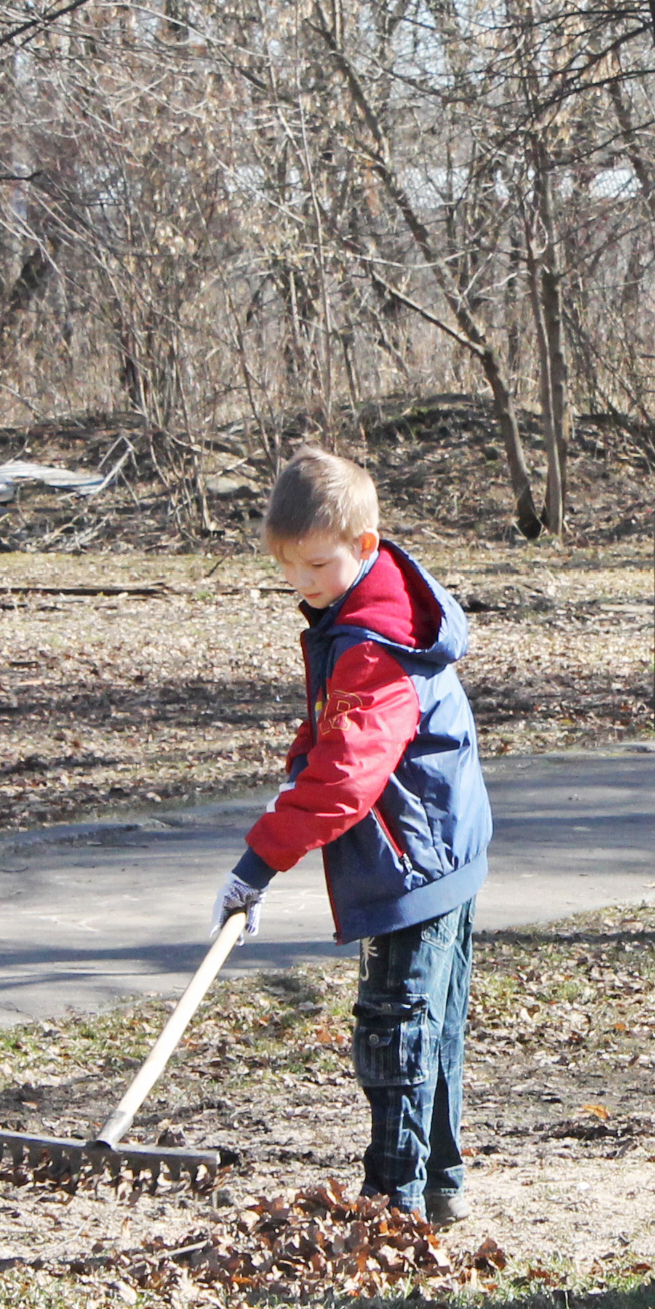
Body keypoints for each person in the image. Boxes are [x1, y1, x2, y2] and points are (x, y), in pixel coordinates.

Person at [217, 447, 493, 1223]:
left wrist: (260, 861)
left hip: (412, 860)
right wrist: (297, 766)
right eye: (289, 569)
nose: (301, 585)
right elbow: (331, 736)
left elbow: (348, 775)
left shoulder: (375, 643)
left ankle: (394, 1202)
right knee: (430, 1028)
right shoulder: (364, 614)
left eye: (315, 566)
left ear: (365, 548)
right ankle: (439, 1188)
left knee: (396, 1029)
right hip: (442, 849)